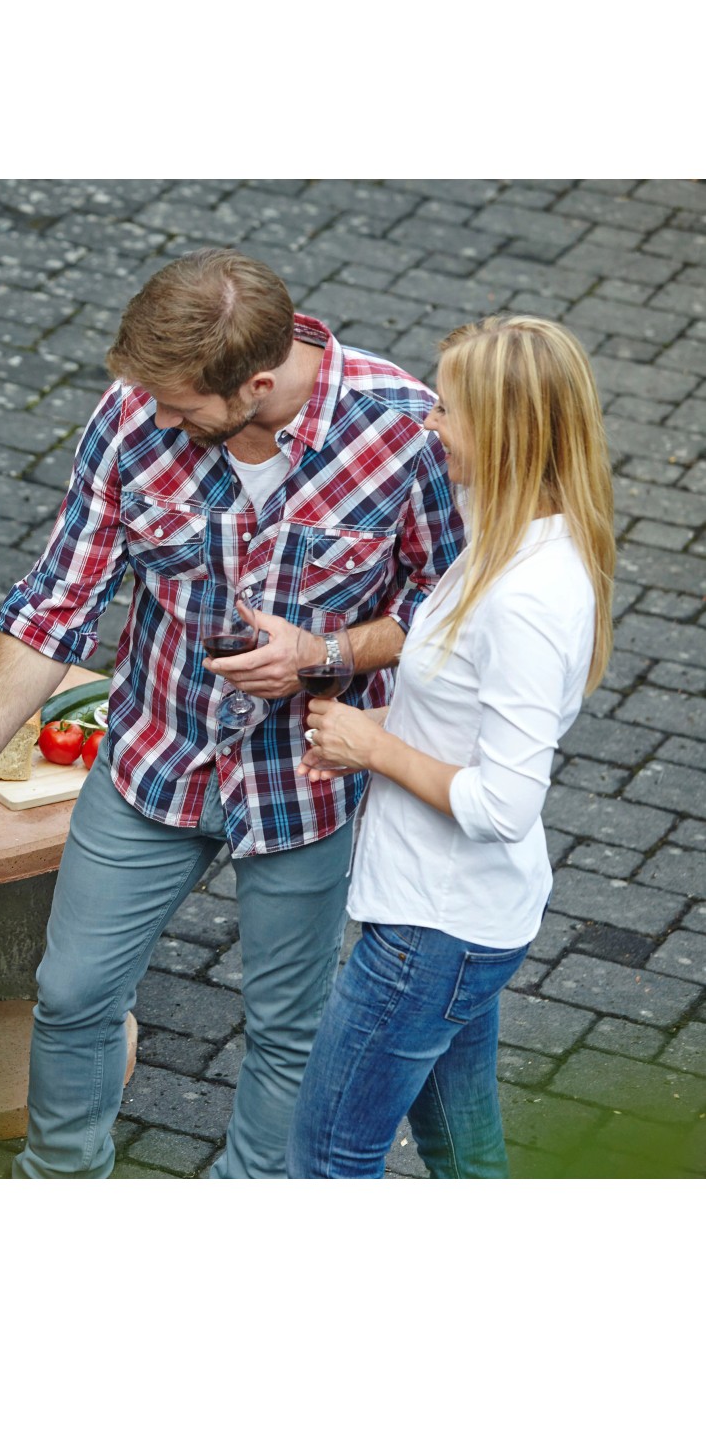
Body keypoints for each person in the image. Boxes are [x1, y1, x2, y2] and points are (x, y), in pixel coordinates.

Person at [0, 248, 464, 1178]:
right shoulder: (133, 414)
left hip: (307, 778)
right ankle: (59, 1182)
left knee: (289, 1028)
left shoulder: (402, 429)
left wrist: (327, 655)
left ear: (258, 384)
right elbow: (55, 610)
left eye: (182, 408)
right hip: (157, 751)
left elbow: (450, 606)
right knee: (73, 992)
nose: (156, 419)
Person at [287, 316, 616, 1179]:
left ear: (502, 431)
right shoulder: (507, 544)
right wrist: (376, 734)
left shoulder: (525, 597)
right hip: (455, 921)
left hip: (433, 930)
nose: (430, 424)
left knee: (326, 1160)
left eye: (448, 410)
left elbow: (504, 804)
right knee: (465, 1156)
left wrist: (373, 746)